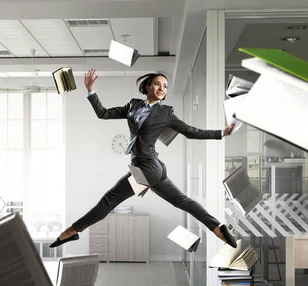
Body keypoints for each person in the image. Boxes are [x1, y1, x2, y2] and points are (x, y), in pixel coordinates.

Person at [50, 69, 237, 249]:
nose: (162, 89)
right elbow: (103, 113)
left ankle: (72, 230)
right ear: (148, 86)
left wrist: (221, 133)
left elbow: (190, 131)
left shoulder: (166, 113)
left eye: (165, 86)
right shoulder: (133, 105)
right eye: (157, 84)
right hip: (153, 169)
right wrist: (91, 90)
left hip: (147, 169)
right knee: (182, 201)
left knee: (108, 200)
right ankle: (217, 228)